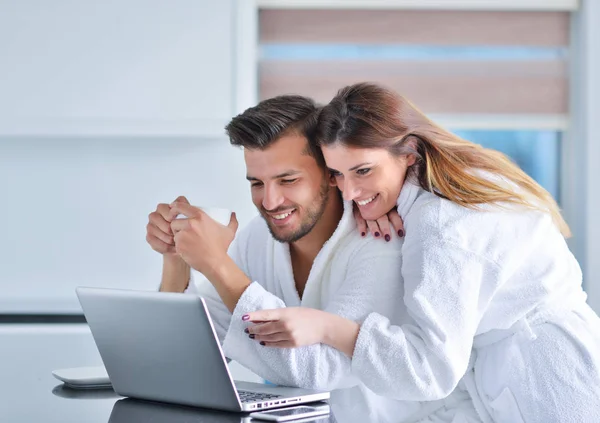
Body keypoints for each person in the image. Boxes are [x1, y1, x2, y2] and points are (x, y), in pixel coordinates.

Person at [243, 83, 600, 423]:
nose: (349, 192)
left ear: (408, 153)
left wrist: (327, 327)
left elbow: (429, 370)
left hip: (552, 375)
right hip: (512, 367)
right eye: (337, 174)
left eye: (363, 171)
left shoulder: (442, 224)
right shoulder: (430, 196)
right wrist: (373, 205)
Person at [145, 95, 478, 423]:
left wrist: (218, 265)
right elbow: (184, 359)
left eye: (288, 180)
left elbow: (321, 368)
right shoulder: (257, 239)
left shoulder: (380, 241)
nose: (271, 201)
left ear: (330, 173)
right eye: (257, 183)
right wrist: (176, 259)